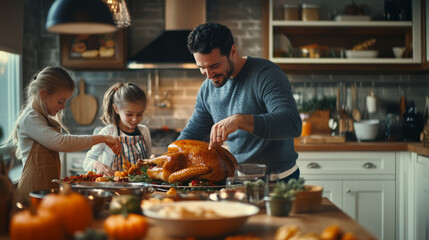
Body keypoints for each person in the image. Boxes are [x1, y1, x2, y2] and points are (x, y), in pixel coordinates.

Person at [178, 22, 302, 182]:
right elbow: (192, 133)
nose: (208, 75)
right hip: (236, 181)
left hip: (278, 182)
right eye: (201, 67)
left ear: (232, 51)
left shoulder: (266, 74)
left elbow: (291, 123)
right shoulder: (207, 89)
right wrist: (167, 158)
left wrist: (240, 120)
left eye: (214, 66)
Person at [4, 66, 121, 205]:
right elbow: (60, 142)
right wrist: (101, 138)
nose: (63, 107)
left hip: (46, 192)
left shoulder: (41, 118)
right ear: (43, 94)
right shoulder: (30, 119)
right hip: (32, 194)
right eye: (61, 101)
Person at [83, 82, 152, 177]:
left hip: (139, 185)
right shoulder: (108, 132)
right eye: (129, 114)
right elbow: (87, 161)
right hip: (113, 186)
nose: (135, 119)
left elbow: (147, 160)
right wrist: (96, 164)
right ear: (116, 109)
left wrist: (152, 162)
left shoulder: (144, 131)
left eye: (139, 114)